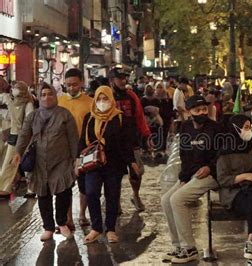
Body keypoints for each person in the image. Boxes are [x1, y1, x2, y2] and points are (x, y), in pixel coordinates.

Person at [12, 83, 78, 241]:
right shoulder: (33, 116)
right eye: (43, 94)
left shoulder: (64, 114)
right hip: (40, 162)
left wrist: (76, 159)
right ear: (39, 97)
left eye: (50, 94)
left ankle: (62, 223)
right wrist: (18, 153)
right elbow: (24, 135)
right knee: (43, 193)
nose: (46, 97)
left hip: (61, 161)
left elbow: (73, 138)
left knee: (63, 191)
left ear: (55, 96)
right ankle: (48, 227)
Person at [161, 95, 220, 264]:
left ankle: (190, 248)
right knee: (166, 200)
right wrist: (183, 178)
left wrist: (210, 167)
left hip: (211, 175)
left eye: (204, 109)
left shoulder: (215, 128)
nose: (202, 112)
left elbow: (222, 155)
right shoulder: (186, 127)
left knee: (177, 199)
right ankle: (178, 246)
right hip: (192, 175)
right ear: (189, 112)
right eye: (197, 110)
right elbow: (184, 155)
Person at [76, 86, 138, 244]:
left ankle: (110, 229)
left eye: (106, 99)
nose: (102, 102)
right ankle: (96, 228)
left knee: (112, 196)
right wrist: (77, 160)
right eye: (99, 99)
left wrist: (132, 162)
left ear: (111, 100)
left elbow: (126, 143)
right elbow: (83, 141)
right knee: (91, 192)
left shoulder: (120, 118)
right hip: (93, 164)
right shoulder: (89, 118)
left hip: (114, 164)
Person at [216, 114, 252, 265]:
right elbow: (223, 179)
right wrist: (245, 176)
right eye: (245, 128)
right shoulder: (225, 153)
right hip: (233, 193)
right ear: (235, 129)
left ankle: (251, 245)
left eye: (249, 127)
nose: (249, 131)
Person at [109, 68, 151, 212]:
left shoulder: (131, 96)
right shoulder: (106, 97)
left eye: (124, 78)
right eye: (120, 78)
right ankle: (116, 201)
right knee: (116, 174)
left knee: (137, 171)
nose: (123, 81)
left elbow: (139, 117)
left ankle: (136, 195)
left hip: (132, 140)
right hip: (113, 142)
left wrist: (146, 135)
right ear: (112, 80)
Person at [58, 68, 94, 228]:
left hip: (85, 149)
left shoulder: (90, 103)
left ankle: (81, 214)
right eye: (68, 85)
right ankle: (68, 219)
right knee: (65, 186)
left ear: (81, 83)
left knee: (84, 185)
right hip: (64, 150)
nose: (71, 88)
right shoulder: (59, 101)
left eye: (74, 84)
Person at [0, 81, 34, 198]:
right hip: (13, 135)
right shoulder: (13, 102)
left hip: (23, 136)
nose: (14, 90)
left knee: (26, 162)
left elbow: (29, 121)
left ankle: (30, 188)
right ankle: (5, 187)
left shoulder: (28, 103)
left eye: (16, 88)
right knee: (10, 162)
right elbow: (10, 117)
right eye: (13, 87)